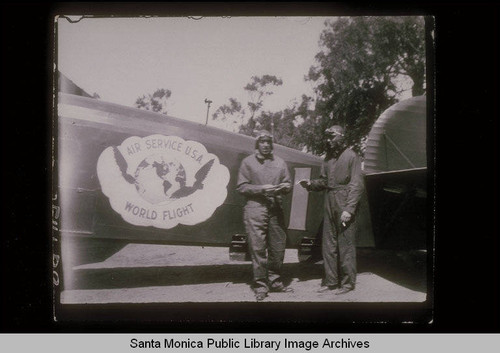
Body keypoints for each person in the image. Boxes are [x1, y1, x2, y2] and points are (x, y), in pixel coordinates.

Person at [299, 125, 364, 295]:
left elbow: (357, 185)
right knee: (328, 245)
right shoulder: (327, 159)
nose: (329, 140)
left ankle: (348, 283)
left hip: (344, 201)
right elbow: (324, 181)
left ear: (341, 137)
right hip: (329, 201)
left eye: (332, 137)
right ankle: (331, 282)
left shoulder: (352, 156)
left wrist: (349, 209)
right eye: (327, 137)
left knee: (346, 245)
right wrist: (311, 184)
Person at [236, 130, 293, 301]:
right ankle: (260, 285)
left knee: (277, 247)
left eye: (269, 142)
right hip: (256, 208)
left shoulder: (280, 163)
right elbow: (241, 187)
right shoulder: (248, 162)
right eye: (262, 142)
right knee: (258, 248)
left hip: (276, 208)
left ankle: (274, 281)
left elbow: (288, 183)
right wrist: (261, 189)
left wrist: (284, 187)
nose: (266, 145)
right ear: (257, 144)